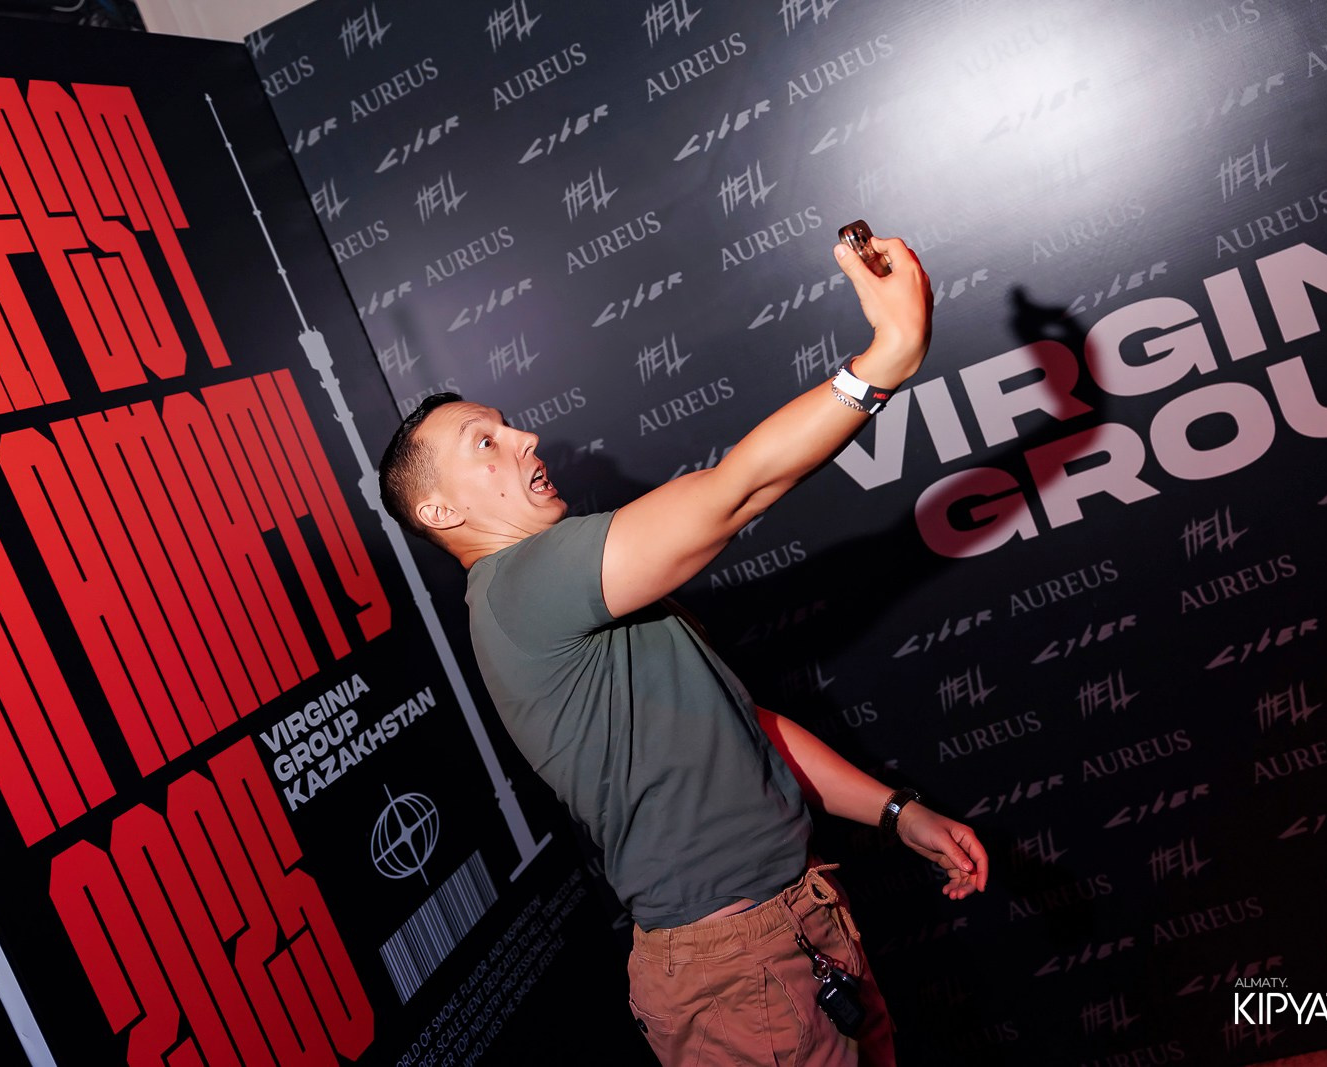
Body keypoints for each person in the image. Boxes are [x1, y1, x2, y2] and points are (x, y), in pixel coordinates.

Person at [378, 230, 989, 1066]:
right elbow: (733, 494)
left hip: (791, 923)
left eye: (506, 425)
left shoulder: (560, 592)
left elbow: (747, 731)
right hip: (738, 970)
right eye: (485, 443)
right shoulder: (520, 580)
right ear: (441, 514)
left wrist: (895, 810)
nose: (525, 438)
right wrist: (885, 359)